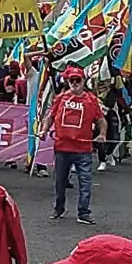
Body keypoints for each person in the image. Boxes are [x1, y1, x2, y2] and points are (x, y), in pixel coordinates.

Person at [48, 75, 104, 221]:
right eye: (71, 80)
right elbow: (51, 116)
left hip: (83, 148)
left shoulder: (91, 100)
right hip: (62, 147)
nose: (74, 83)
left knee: (85, 181)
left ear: (83, 81)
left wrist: (102, 134)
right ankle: (58, 209)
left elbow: (101, 120)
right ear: (67, 82)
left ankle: (84, 212)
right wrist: (43, 130)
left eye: (77, 80)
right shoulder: (61, 98)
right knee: (60, 182)